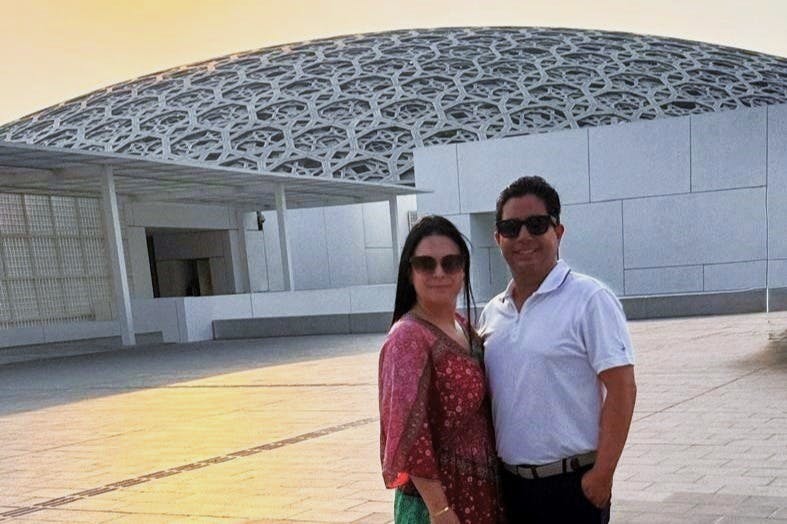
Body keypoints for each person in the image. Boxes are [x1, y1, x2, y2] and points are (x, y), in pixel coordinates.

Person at [479, 176, 637, 523]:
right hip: (510, 488)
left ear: (558, 232)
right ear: (497, 238)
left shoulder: (589, 299)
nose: (523, 237)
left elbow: (622, 388)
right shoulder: (493, 312)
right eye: (511, 227)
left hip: (572, 488)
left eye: (536, 225)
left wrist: (602, 475)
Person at [379, 215, 501, 524]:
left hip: (480, 491)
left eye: (450, 263)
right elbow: (409, 432)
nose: (439, 273)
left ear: (463, 270)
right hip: (439, 503)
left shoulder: (462, 326)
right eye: (425, 264)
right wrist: (440, 510)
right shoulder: (408, 337)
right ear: (410, 272)